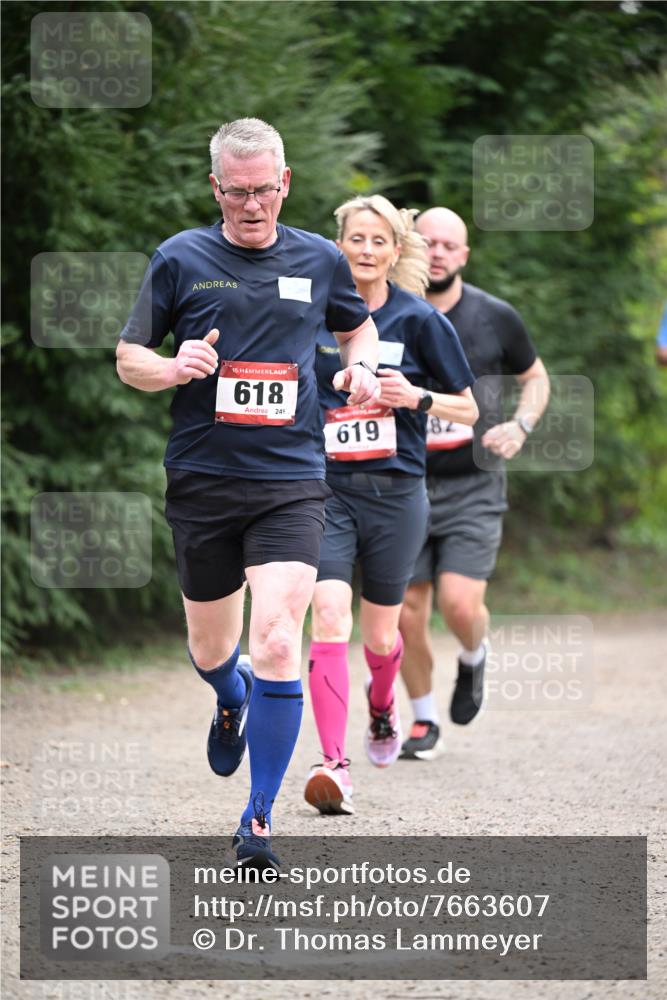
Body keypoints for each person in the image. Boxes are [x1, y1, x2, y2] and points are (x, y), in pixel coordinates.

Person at [116, 118, 380, 867]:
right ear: (216, 189)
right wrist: (171, 368)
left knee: (275, 640)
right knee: (212, 649)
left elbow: (356, 330)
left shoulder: (320, 259)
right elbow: (128, 356)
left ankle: (258, 819)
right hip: (202, 478)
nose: (252, 205)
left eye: (265, 190)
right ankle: (228, 697)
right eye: (237, 192)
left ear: (285, 183)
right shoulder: (181, 258)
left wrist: (358, 368)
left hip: (291, 480)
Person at [304, 196, 477, 815]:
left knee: (381, 636)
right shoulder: (313, 315)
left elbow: (469, 408)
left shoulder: (421, 320)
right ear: (339, 245)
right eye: (356, 239)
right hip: (325, 492)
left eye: (379, 240)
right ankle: (333, 764)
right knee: (328, 615)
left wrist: (416, 397)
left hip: (398, 495)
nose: (367, 250)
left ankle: (383, 709)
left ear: (395, 250)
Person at [399, 207, 550, 760]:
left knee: (460, 605)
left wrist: (521, 423)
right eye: (426, 242)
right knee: (406, 613)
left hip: (473, 485)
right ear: (410, 246)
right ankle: (421, 719)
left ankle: (472, 654)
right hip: (403, 483)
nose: (436, 252)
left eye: (448, 245)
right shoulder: (387, 313)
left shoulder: (494, 316)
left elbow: (535, 379)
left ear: (463, 256)